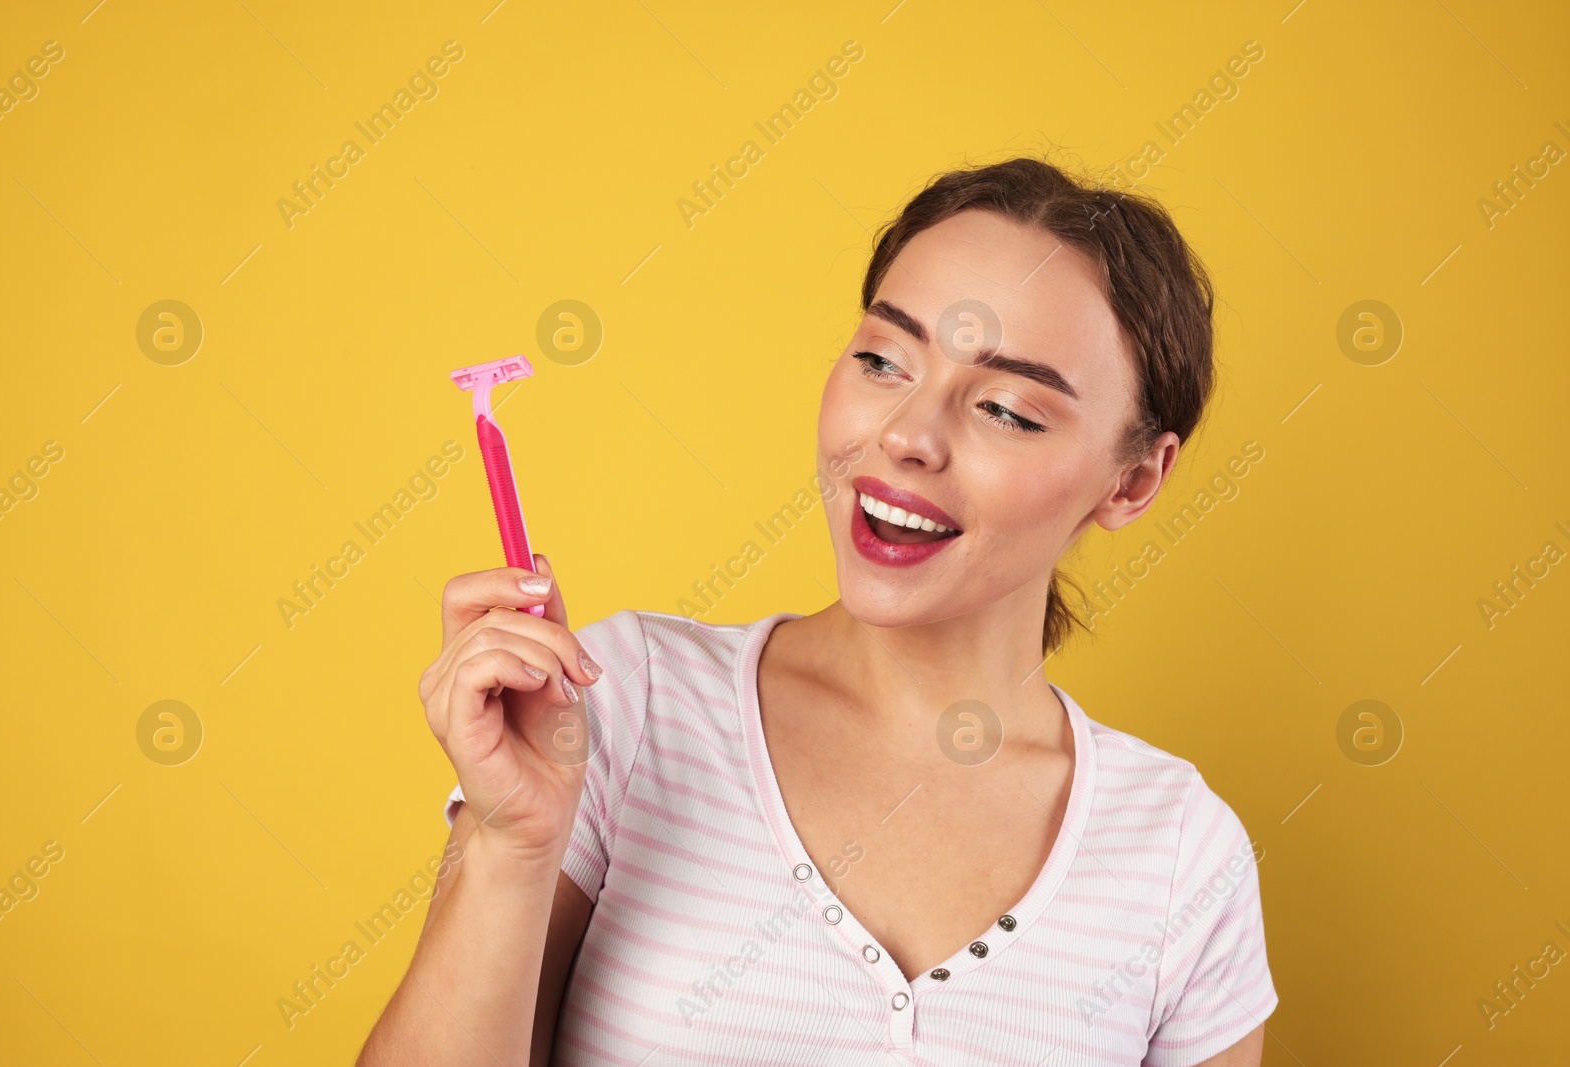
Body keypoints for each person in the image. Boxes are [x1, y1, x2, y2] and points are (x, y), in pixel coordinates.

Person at [358, 156, 1279, 1066]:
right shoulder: (624, 707)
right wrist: (513, 847)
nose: (907, 436)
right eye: (883, 359)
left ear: (1133, 480)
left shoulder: (1180, 857)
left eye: (1005, 409)